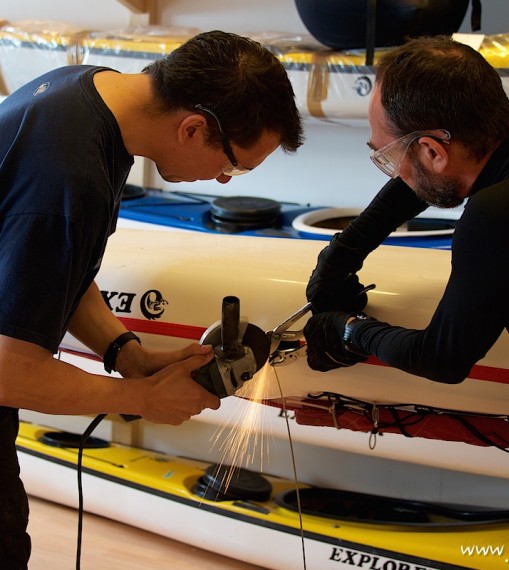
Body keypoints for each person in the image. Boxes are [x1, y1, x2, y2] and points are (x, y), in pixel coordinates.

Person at [0, 30, 303, 568]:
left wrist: (128, 356)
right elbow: (8, 372)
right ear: (193, 128)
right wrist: (141, 400)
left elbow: (52, 270)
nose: (223, 181)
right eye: (231, 164)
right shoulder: (70, 176)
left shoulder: (88, 92)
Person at [303, 35, 509, 439]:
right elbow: (423, 177)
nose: (396, 175)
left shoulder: (498, 216)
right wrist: (346, 249)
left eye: (390, 157)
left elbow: (442, 358)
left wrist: (346, 329)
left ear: (432, 151)